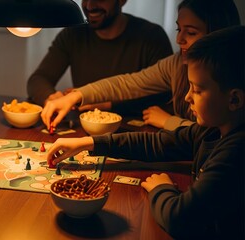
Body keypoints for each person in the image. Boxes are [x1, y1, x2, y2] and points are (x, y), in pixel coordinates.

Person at [47, 25, 245, 239]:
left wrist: (162, 188)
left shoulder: (235, 153)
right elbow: (156, 143)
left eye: (197, 90)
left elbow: (179, 218)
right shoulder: (211, 131)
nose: (188, 97)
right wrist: (88, 143)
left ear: (234, 99)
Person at [41, 0, 240, 130]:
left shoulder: (230, 80)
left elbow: (209, 136)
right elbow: (129, 83)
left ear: (217, 35)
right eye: (179, 29)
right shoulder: (176, 63)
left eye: (191, 33)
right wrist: (78, 95)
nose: (179, 40)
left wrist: (167, 121)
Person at [27, 0, 173, 110]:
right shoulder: (73, 34)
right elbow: (38, 79)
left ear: (122, 1)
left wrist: (107, 104)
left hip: (135, 134)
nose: (90, 6)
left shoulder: (152, 36)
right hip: (83, 132)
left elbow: (163, 96)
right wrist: (52, 98)